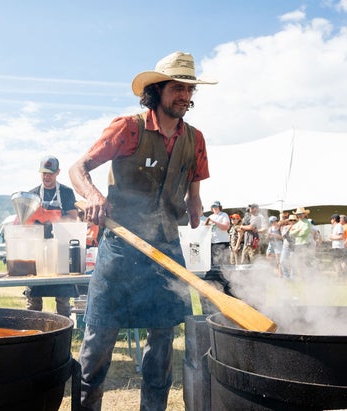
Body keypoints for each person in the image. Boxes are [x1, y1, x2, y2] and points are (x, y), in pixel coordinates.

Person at [68, 51, 215, 410]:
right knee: (97, 346)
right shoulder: (129, 127)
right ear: (156, 90)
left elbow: (194, 183)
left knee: (163, 348)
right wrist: (93, 195)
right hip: (121, 249)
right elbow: (78, 168)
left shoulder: (194, 139)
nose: (184, 96)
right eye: (177, 88)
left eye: (189, 89)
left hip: (165, 250)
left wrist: (195, 204)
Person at [26, 155, 79, 317]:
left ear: (57, 173)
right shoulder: (32, 194)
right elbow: (25, 222)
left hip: (60, 251)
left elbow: (73, 217)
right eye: (43, 173)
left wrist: (53, 218)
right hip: (37, 251)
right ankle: (32, 330)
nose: (46, 176)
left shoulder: (66, 193)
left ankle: (64, 329)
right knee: (33, 298)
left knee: (63, 298)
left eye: (50, 173)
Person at [206, 200, 231, 268]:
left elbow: (226, 227)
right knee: (214, 261)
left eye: (216, 206)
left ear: (220, 207)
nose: (215, 208)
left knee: (223, 261)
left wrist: (215, 222)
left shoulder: (224, 215)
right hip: (213, 242)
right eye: (213, 206)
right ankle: (216, 276)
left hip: (222, 241)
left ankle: (224, 277)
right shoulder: (210, 216)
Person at [279, 214, 297, 279]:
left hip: (294, 247)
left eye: (294, 220)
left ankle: (293, 278)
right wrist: (289, 228)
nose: (292, 221)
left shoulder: (298, 228)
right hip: (286, 247)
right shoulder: (285, 227)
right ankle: (286, 276)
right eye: (291, 220)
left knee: (293, 262)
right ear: (289, 221)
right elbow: (283, 236)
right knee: (282, 261)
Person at [329, 214, 347, 280]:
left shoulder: (338, 226)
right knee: (339, 261)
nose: (330, 221)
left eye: (331, 219)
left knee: (337, 262)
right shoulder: (337, 226)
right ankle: (341, 276)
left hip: (338, 247)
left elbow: (341, 237)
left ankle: (339, 276)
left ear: (334, 219)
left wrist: (332, 237)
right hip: (338, 246)